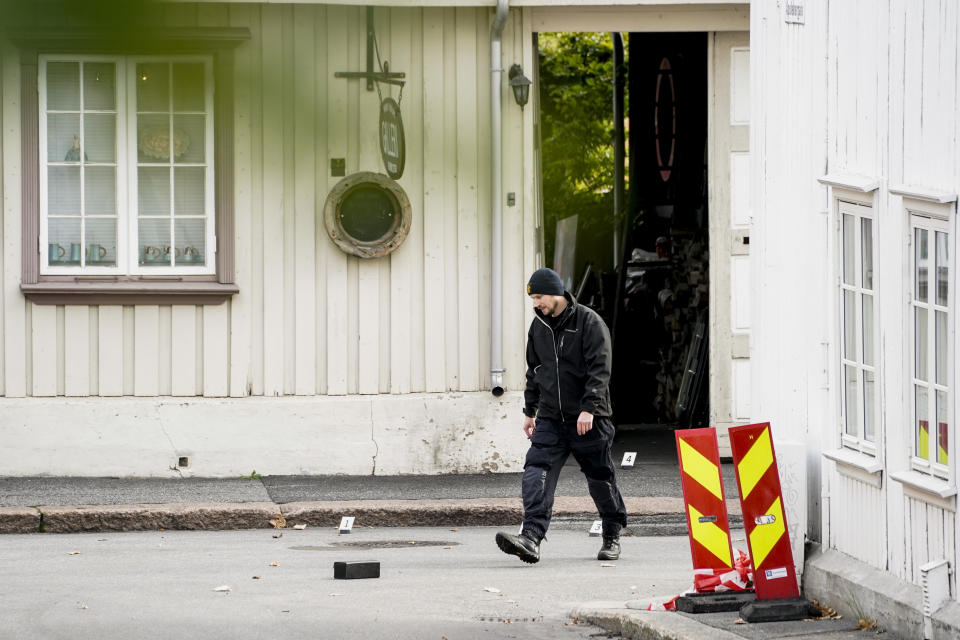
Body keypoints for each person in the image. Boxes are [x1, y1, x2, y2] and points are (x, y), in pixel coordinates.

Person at [495, 267, 627, 564]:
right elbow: (535, 371)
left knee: (600, 478)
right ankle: (530, 538)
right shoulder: (538, 327)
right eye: (533, 298)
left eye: (539, 297)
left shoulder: (589, 322)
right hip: (552, 419)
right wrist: (530, 411)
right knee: (536, 470)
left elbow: (600, 369)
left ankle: (611, 535)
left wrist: (588, 408)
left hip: (589, 419)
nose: (536, 303)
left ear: (555, 293)